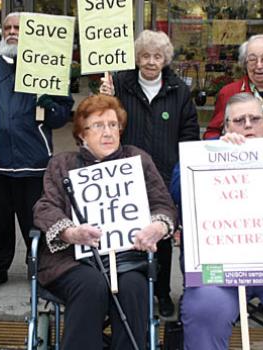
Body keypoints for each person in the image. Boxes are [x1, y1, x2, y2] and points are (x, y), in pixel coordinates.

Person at [171, 93, 263, 350]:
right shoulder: (205, 153)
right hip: (222, 258)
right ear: (226, 126)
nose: (248, 125)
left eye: (255, 119)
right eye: (239, 120)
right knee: (204, 309)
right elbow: (179, 190)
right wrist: (217, 154)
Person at [33, 94, 177, 349]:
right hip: (72, 259)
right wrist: (70, 232)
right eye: (98, 126)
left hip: (127, 258)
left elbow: (163, 204)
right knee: (92, 284)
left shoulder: (137, 159)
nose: (108, 132)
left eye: (113, 125)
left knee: (133, 287)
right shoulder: (62, 164)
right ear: (82, 134)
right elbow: (45, 207)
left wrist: (158, 226)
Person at [100, 29, 199, 316]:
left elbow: (189, 133)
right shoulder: (119, 83)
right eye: (145, 55)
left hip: (164, 176)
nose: (151, 62)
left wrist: (183, 172)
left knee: (161, 236)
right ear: (137, 57)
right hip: (125, 173)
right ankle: (133, 291)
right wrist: (106, 98)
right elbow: (104, 122)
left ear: (166, 59)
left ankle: (162, 292)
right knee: (127, 234)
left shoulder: (179, 90)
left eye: (157, 56)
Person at [0, 12, 74, 293]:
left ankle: (40, 269)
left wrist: (49, 105)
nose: (11, 32)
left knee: (34, 221)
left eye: (17, 28)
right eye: (7, 28)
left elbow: (61, 117)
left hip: (34, 161)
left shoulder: (47, 67)